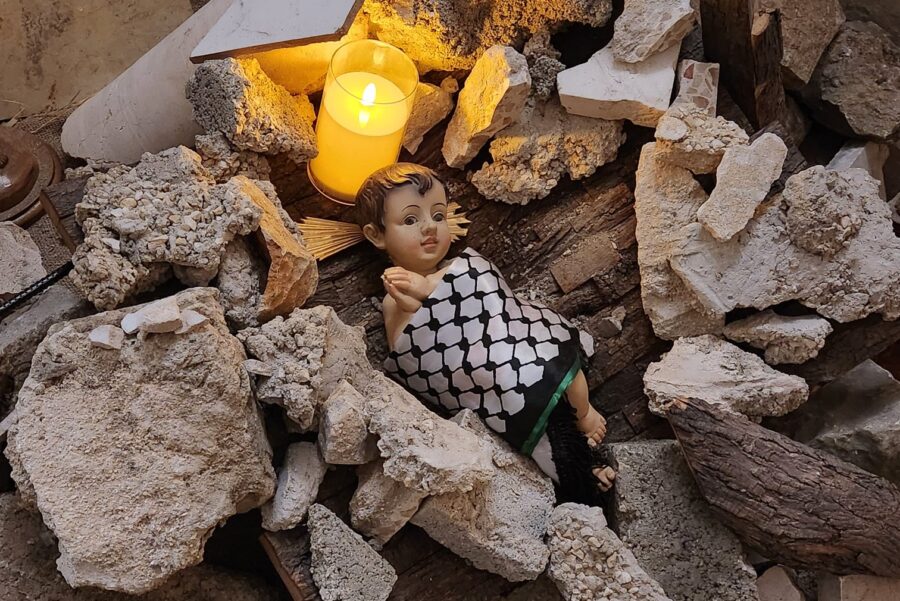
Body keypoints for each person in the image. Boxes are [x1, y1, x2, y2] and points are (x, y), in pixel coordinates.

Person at [356, 162, 615, 503]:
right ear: (376, 235)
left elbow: (491, 297)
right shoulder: (395, 294)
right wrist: (417, 297)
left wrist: (435, 286)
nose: (429, 227)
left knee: (560, 368)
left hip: (518, 345)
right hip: (486, 377)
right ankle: (584, 470)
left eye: (438, 215)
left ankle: (583, 413)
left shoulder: (458, 266)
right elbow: (412, 348)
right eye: (410, 220)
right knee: (538, 438)